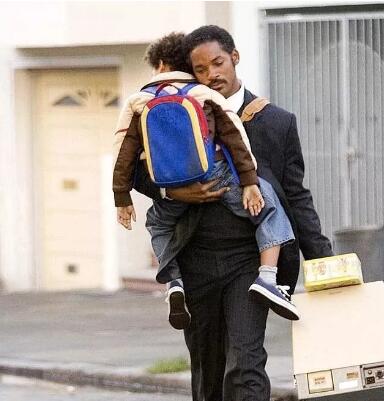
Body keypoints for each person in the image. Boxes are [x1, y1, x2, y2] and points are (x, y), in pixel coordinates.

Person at [133, 25, 333, 401]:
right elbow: (139, 172)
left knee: (245, 362)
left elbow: (296, 197)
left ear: (234, 57)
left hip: (249, 263)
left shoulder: (275, 121)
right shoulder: (177, 114)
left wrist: (325, 262)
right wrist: (172, 190)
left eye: (219, 63)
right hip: (195, 260)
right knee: (208, 368)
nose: (212, 75)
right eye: (201, 69)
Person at [112, 32, 299, 331]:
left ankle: (173, 281)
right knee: (269, 208)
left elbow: (123, 151)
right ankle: (267, 277)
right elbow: (234, 135)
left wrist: (121, 196)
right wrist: (249, 181)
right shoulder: (202, 94)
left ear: (160, 65)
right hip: (217, 177)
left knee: (158, 225)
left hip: (170, 184)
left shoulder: (139, 100)